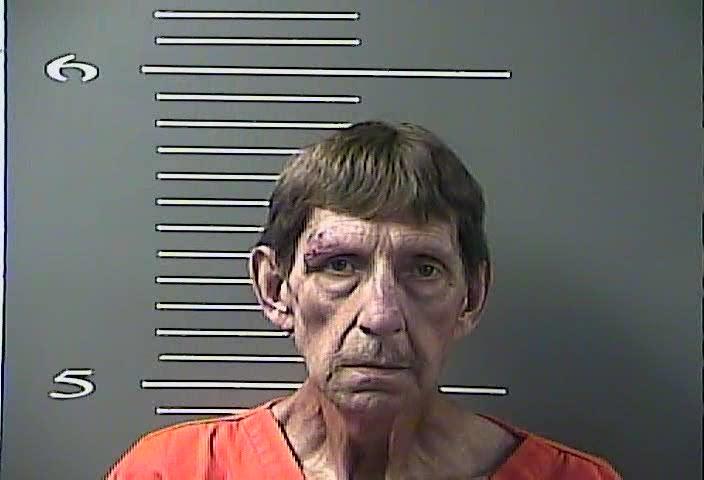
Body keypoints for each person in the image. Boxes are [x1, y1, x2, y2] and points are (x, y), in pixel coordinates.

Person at [105, 121, 622, 479]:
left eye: (424, 269)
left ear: (471, 297)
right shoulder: (175, 471)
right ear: (276, 288)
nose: (381, 316)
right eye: (339, 265)